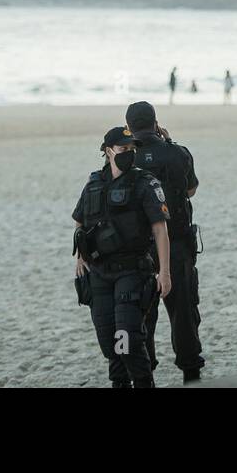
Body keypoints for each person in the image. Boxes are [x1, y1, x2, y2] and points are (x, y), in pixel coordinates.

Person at [72, 126, 171, 388]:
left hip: (132, 271)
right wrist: (80, 257)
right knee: (109, 342)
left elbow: (160, 229)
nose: (129, 153)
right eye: (123, 149)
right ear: (108, 151)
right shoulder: (94, 183)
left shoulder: (144, 183)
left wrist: (165, 272)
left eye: (132, 149)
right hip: (100, 275)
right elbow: (79, 223)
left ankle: (143, 382)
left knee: (127, 338)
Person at [125, 101, 205, 383]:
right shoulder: (178, 153)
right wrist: (167, 141)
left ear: (129, 129)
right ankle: (190, 371)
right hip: (177, 244)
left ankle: (147, 373)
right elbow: (191, 190)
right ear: (156, 123)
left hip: (138, 249)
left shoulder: (125, 159)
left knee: (142, 316)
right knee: (183, 311)